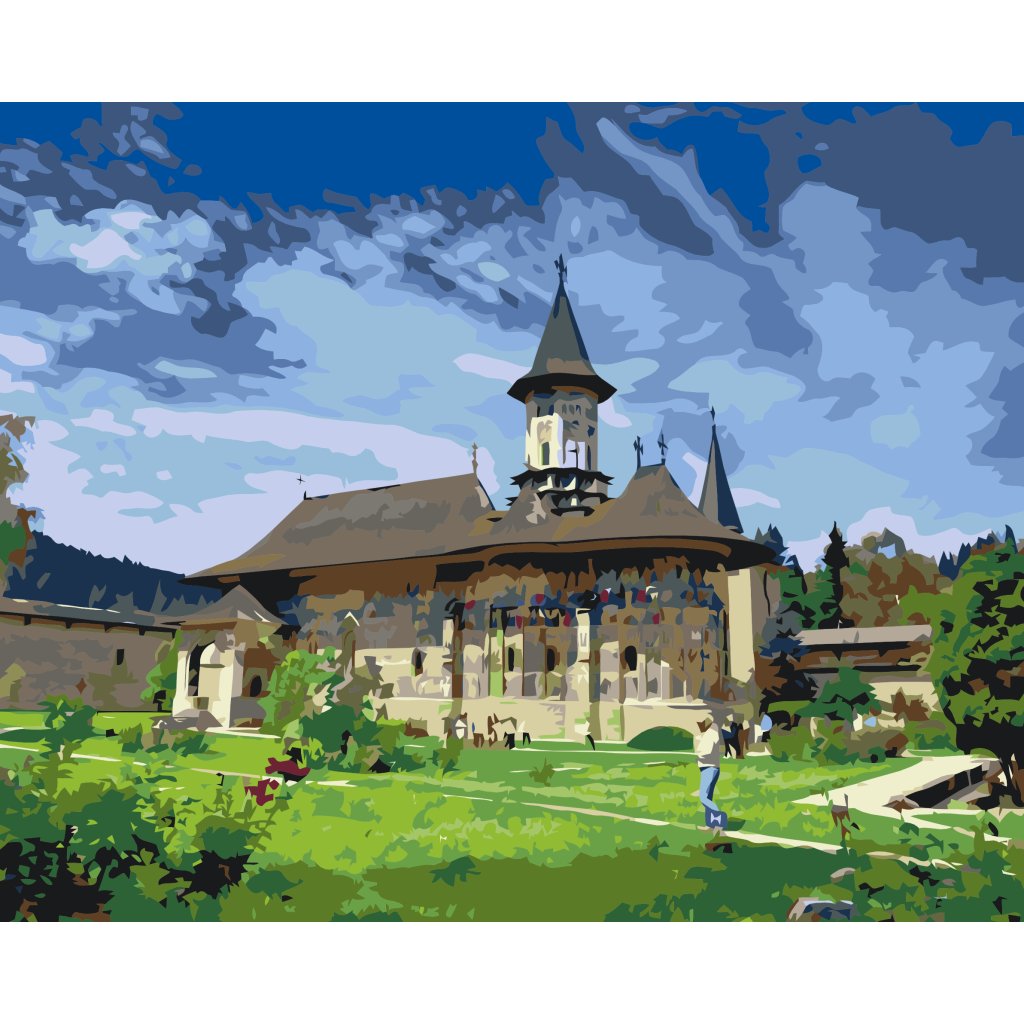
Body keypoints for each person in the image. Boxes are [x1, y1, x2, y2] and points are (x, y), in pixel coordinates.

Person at [694, 715, 727, 831]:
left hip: (709, 768)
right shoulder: (711, 733)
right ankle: (710, 824)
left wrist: (698, 755)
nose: (699, 727)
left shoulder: (710, 734)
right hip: (711, 768)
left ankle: (719, 821)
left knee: (704, 798)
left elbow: (705, 752)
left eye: (701, 724)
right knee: (708, 797)